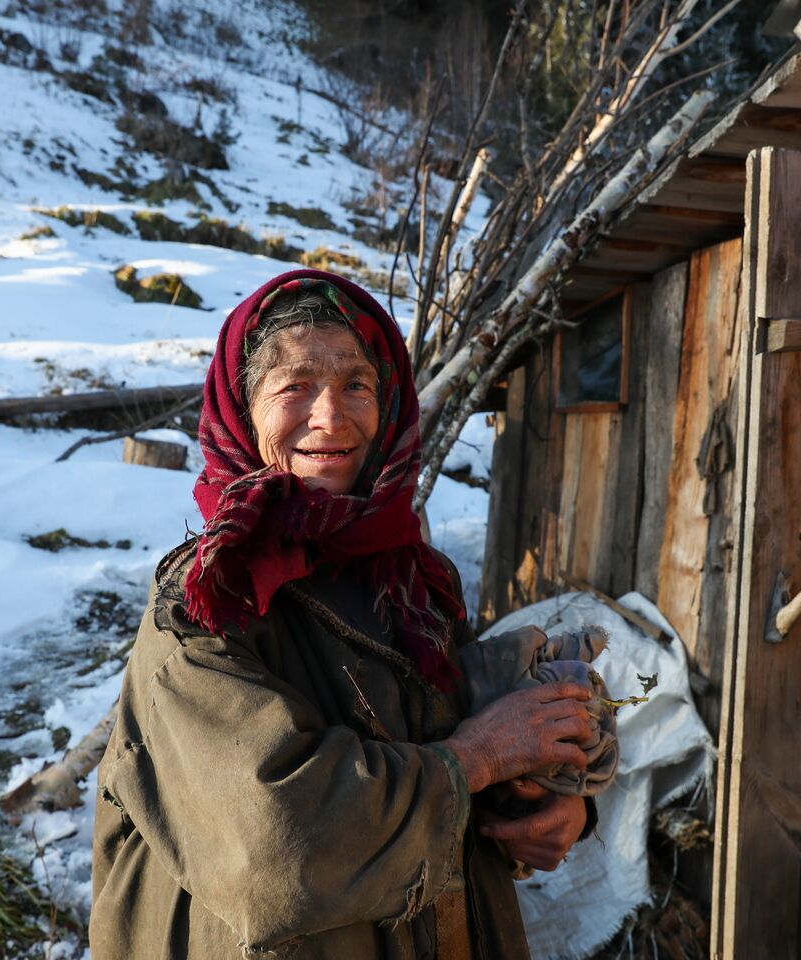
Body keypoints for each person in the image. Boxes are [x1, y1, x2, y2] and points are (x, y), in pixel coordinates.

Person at [90, 269, 599, 959]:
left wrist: (549, 803)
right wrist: (478, 759)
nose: (330, 417)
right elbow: (277, 848)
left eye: (356, 384)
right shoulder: (210, 602)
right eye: (294, 385)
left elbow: (447, 738)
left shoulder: (414, 580)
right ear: (241, 408)